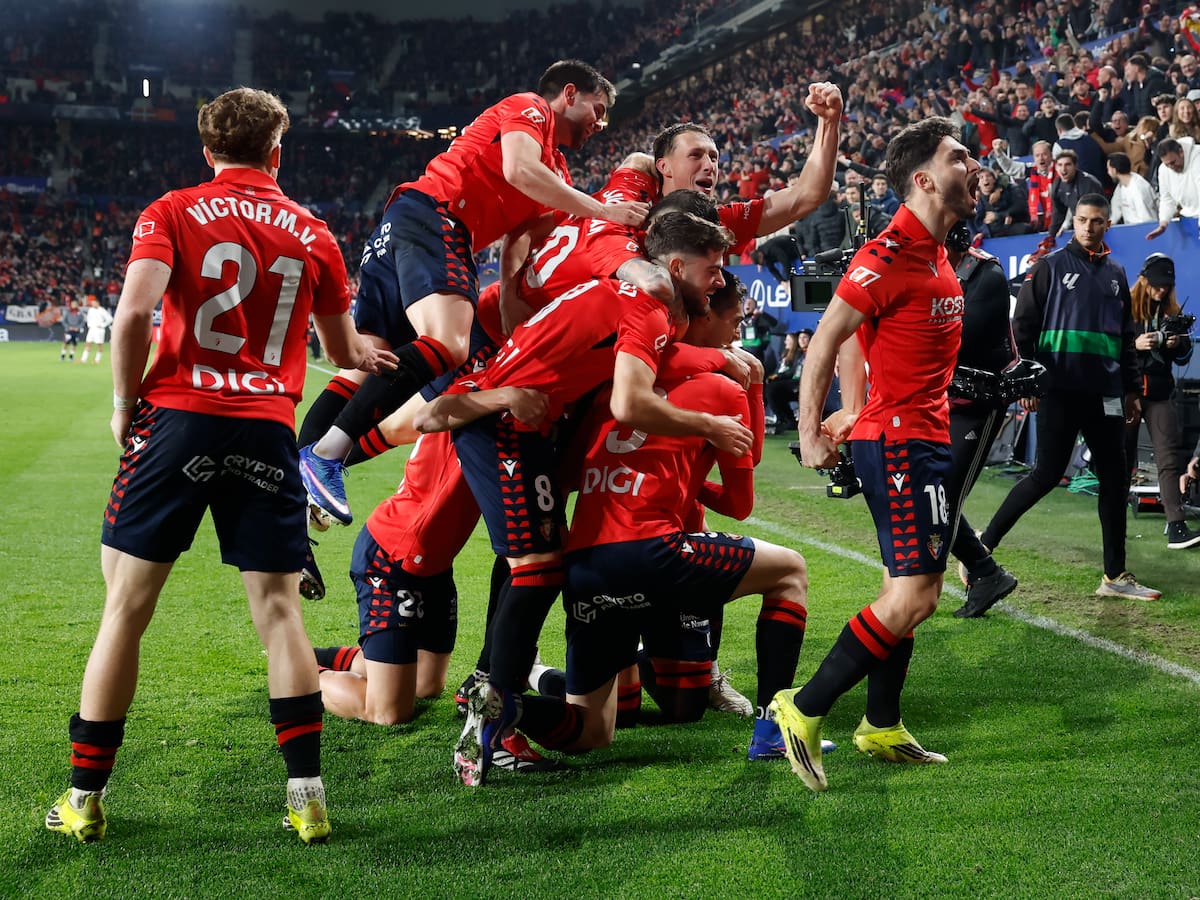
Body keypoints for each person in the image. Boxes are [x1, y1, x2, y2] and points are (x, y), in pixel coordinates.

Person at [44, 88, 393, 845]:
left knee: (125, 609)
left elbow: (135, 313)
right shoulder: (313, 230)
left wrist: (121, 401)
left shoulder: (170, 210)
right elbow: (339, 351)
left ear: (208, 150)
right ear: (278, 150)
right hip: (265, 430)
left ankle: (84, 798)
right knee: (279, 616)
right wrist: (372, 351)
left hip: (176, 420)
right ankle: (307, 799)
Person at [414, 212, 750, 787]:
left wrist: (720, 359)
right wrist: (711, 426)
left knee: (538, 565)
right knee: (537, 570)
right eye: (713, 270)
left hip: (531, 430)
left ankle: (495, 695)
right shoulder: (649, 296)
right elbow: (628, 402)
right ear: (673, 266)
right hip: (502, 426)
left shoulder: (640, 297)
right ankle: (493, 716)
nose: (720, 281)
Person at [298, 59, 647, 526]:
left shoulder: (558, 172)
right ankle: (326, 456)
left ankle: (285, 490)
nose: (601, 124)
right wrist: (606, 212)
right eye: (598, 109)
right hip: (437, 217)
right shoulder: (530, 108)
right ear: (569, 94)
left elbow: (520, 234)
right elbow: (519, 169)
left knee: (371, 363)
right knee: (448, 342)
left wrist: (507, 293)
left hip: (405, 224)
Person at [771, 116, 981, 793]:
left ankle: (882, 724)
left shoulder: (938, 250)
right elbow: (827, 340)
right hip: (899, 447)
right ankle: (802, 710)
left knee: (903, 592)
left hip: (919, 436)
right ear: (922, 179)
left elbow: (876, 344)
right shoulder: (886, 252)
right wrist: (811, 432)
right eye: (958, 157)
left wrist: (860, 403)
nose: (972, 165)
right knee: (918, 595)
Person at [978, 194, 1161, 600]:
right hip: (1058, 391)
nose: (1088, 227)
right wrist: (1026, 383)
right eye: (1081, 220)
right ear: (1073, 222)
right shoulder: (1050, 266)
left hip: (1106, 395)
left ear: (1107, 224)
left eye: (1096, 221)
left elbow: (1125, 340)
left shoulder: (1116, 273)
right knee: (1045, 475)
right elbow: (1022, 327)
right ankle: (982, 546)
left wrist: (1131, 390)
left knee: (1115, 479)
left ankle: (1115, 576)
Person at [941, 222, 1022, 618]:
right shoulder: (929, 269)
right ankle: (986, 571)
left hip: (978, 397)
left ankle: (981, 572)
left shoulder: (986, 275)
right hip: (940, 398)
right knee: (932, 493)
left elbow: (957, 338)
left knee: (944, 497)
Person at [1125, 253, 1200, 549]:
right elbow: (1110, 348)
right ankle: (1114, 519)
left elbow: (1183, 356)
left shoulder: (1171, 313)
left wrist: (1177, 344)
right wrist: (1135, 345)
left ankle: (1176, 525)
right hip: (1128, 393)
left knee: (1169, 459)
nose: (1161, 290)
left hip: (1158, 393)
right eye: (1157, 285)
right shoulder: (1124, 310)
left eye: (1166, 286)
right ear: (1144, 281)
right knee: (1121, 460)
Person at [1145, 137, 1200, 240]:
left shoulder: (1198, 157)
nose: (1171, 167)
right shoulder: (1163, 170)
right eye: (1167, 164)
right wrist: (1163, 223)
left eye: (1173, 162)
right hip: (1189, 219)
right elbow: (1167, 199)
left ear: (1181, 152)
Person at [1049, 149, 1105, 238]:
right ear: (1056, 167)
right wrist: (1051, 236)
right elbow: (1058, 212)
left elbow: (1093, 212)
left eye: (1068, 165)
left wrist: (1072, 226)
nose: (1063, 169)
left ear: (1075, 166)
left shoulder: (1088, 183)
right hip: (1080, 223)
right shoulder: (1057, 184)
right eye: (1060, 165)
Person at [764, 331, 807, 433]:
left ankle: (785, 419)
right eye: (800, 338)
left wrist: (778, 377)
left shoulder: (808, 353)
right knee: (771, 388)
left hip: (803, 384)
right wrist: (776, 377)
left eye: (804, 338)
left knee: (773, 389)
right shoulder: (797, 354)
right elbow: (790, 372)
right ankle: (786, 419)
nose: (802, 340)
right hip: (793, 382)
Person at [1107, 151, 1157, 225]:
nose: (1108, 172)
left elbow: (1146, 219)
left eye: (1108, 169)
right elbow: (1115, 212)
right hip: (1130, 228)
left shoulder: (1138, 188)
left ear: (1114, 170)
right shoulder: (1120, 187)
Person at [79, 296, 113, 365]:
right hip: (92, 329)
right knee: (88, 343)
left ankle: (97, 360)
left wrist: (102, 325)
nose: (92, 304)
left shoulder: (102, 310)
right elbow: (88, 318)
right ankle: (83, 359)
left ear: (97, 303)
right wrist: (89, 325)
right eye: (92, 303)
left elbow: (110, 319)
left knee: (99, 345)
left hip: (99, 330)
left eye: (94, 303)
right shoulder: (91, 310)